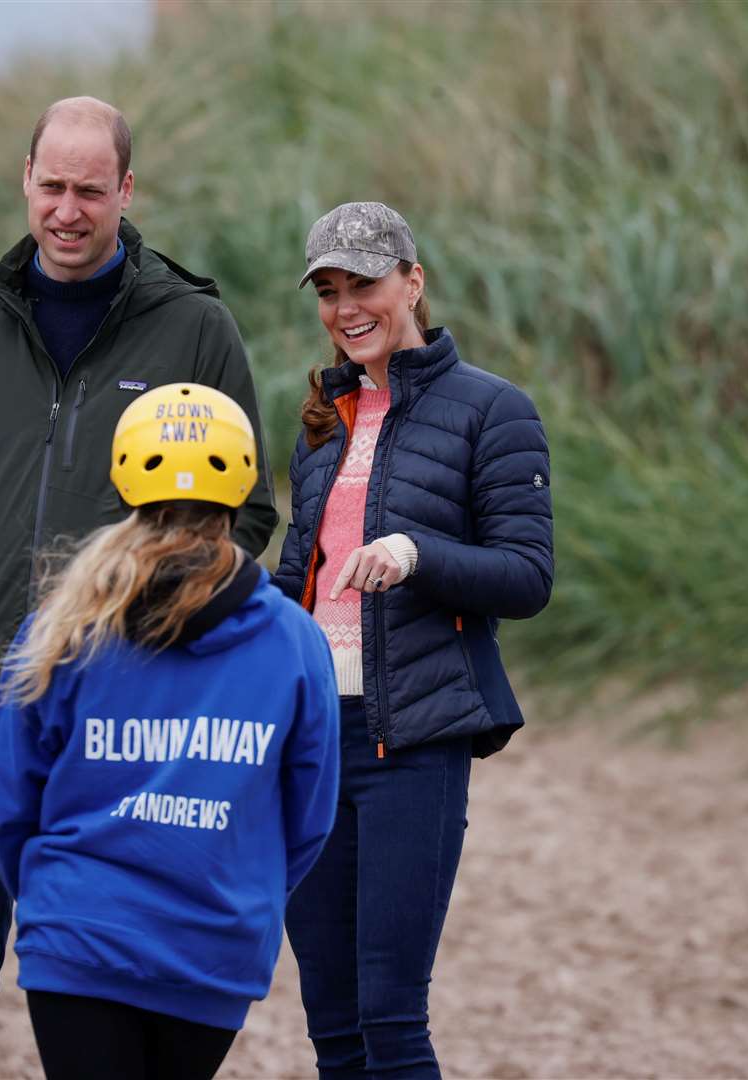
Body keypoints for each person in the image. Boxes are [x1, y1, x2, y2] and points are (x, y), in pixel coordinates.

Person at [0, 95, 278, 1076]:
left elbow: (247, 511)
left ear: (126, 190)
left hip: (116, 714)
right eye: (51, 185)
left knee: (104, 976)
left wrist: (157, 629)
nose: (66, 209)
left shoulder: (196, 331)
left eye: (90, 190)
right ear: (25, 179)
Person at [0, 382, 339, 1080]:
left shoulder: (65, 624)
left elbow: (8, 802)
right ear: (243, 489)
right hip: (214, 945)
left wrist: (54, 902)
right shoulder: (296, 641)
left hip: (78, 936)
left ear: (123, 478)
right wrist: (242, 885)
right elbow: (309, 816)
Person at [273, 202, 553, 1078]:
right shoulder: (322, 418)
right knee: (334, 1028)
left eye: (364, 283)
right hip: (315, 743)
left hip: (416, 743)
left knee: (391, 1020)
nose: (346, 307)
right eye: (329, 290)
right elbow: (296, 582)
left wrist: (416, 553)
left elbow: (527, 575)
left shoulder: (494, 410)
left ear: (413, 282)